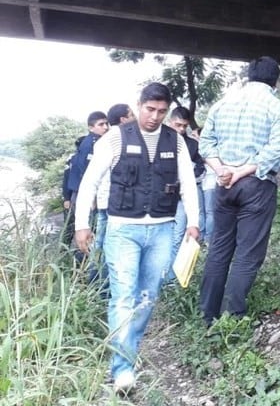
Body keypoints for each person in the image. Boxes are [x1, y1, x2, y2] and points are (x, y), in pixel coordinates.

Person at [74, 82, 199, 394]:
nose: (155, 116)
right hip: (121, 229)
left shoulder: (176, 142)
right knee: (124, 296)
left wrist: (194, 223)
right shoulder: (115, 138)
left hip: (162, 229)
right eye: (149, 109)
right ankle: (123, 369)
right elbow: (90, 182)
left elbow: (188, 183)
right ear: (139, 105)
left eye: (161, 111)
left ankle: (126, 351)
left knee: (147, 298)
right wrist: (81, 224)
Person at [198, 56, 280, 325]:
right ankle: (232, 317)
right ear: (276, 80)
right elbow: (274, 151)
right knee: (248, 253)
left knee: (219, 248)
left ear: (249, 76)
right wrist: (240, 172)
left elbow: (206, 144)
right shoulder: (276, 107)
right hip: (256, 185)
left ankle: (207, 315)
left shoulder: (222, 103)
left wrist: (222, 170)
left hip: (223, 186)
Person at [87, 103, 136, 292]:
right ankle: (106, 288)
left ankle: (94, 283)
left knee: (100, 243)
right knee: (113, 245)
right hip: (116, 201)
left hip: (103, 200)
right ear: (124, 119)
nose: (135, 117)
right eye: (132, 114)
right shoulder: (124, 139)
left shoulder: (102, 141)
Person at [167, 106, 205, 281]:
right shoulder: (159, 140)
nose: (181, 129)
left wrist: (188, 177)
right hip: (160, 198)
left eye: (184, 126)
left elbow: (201, 169)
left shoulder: (192, 145)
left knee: (178, 237)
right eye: (178, 125)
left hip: (182, 197)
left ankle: (172, 279)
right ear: (170, 121)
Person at [63, 112, 109, 250]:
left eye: (107, 124)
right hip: (85, 194)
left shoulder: (97, 142)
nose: (106, 127)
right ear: (91, 127)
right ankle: (85, 263)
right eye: (101, 124)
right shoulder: (92, 144)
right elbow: (86, 173)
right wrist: (92, 198)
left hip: (81, 193)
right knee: (89, 229)